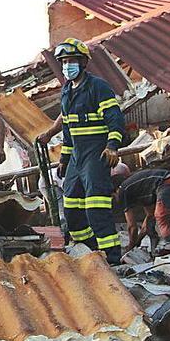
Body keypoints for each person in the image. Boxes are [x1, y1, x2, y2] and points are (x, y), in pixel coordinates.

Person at [37, 38, 126, 264]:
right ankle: (89, 250)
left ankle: (113, 258)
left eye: (72, 60)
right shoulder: (67, 91)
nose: (67, 65)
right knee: (72, 211)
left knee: (97, 209)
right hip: (77, 158)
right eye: (64, 61)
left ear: (83, 62)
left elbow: (115, 119)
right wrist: (65, 159)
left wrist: (112, 146)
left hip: (96, 156)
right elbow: (69, 129)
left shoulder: (98, 87)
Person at [113, 166, 170, 250]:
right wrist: (138, 240)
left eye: (113, 196)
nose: (116, 200)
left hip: (169, 183)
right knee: (152, 219)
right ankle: (157, 247)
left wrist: (130, 246)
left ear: (116, 191)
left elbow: (132, 227)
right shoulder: (143, 189)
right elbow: (149, 216)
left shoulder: (123, 190)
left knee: (161, 216)